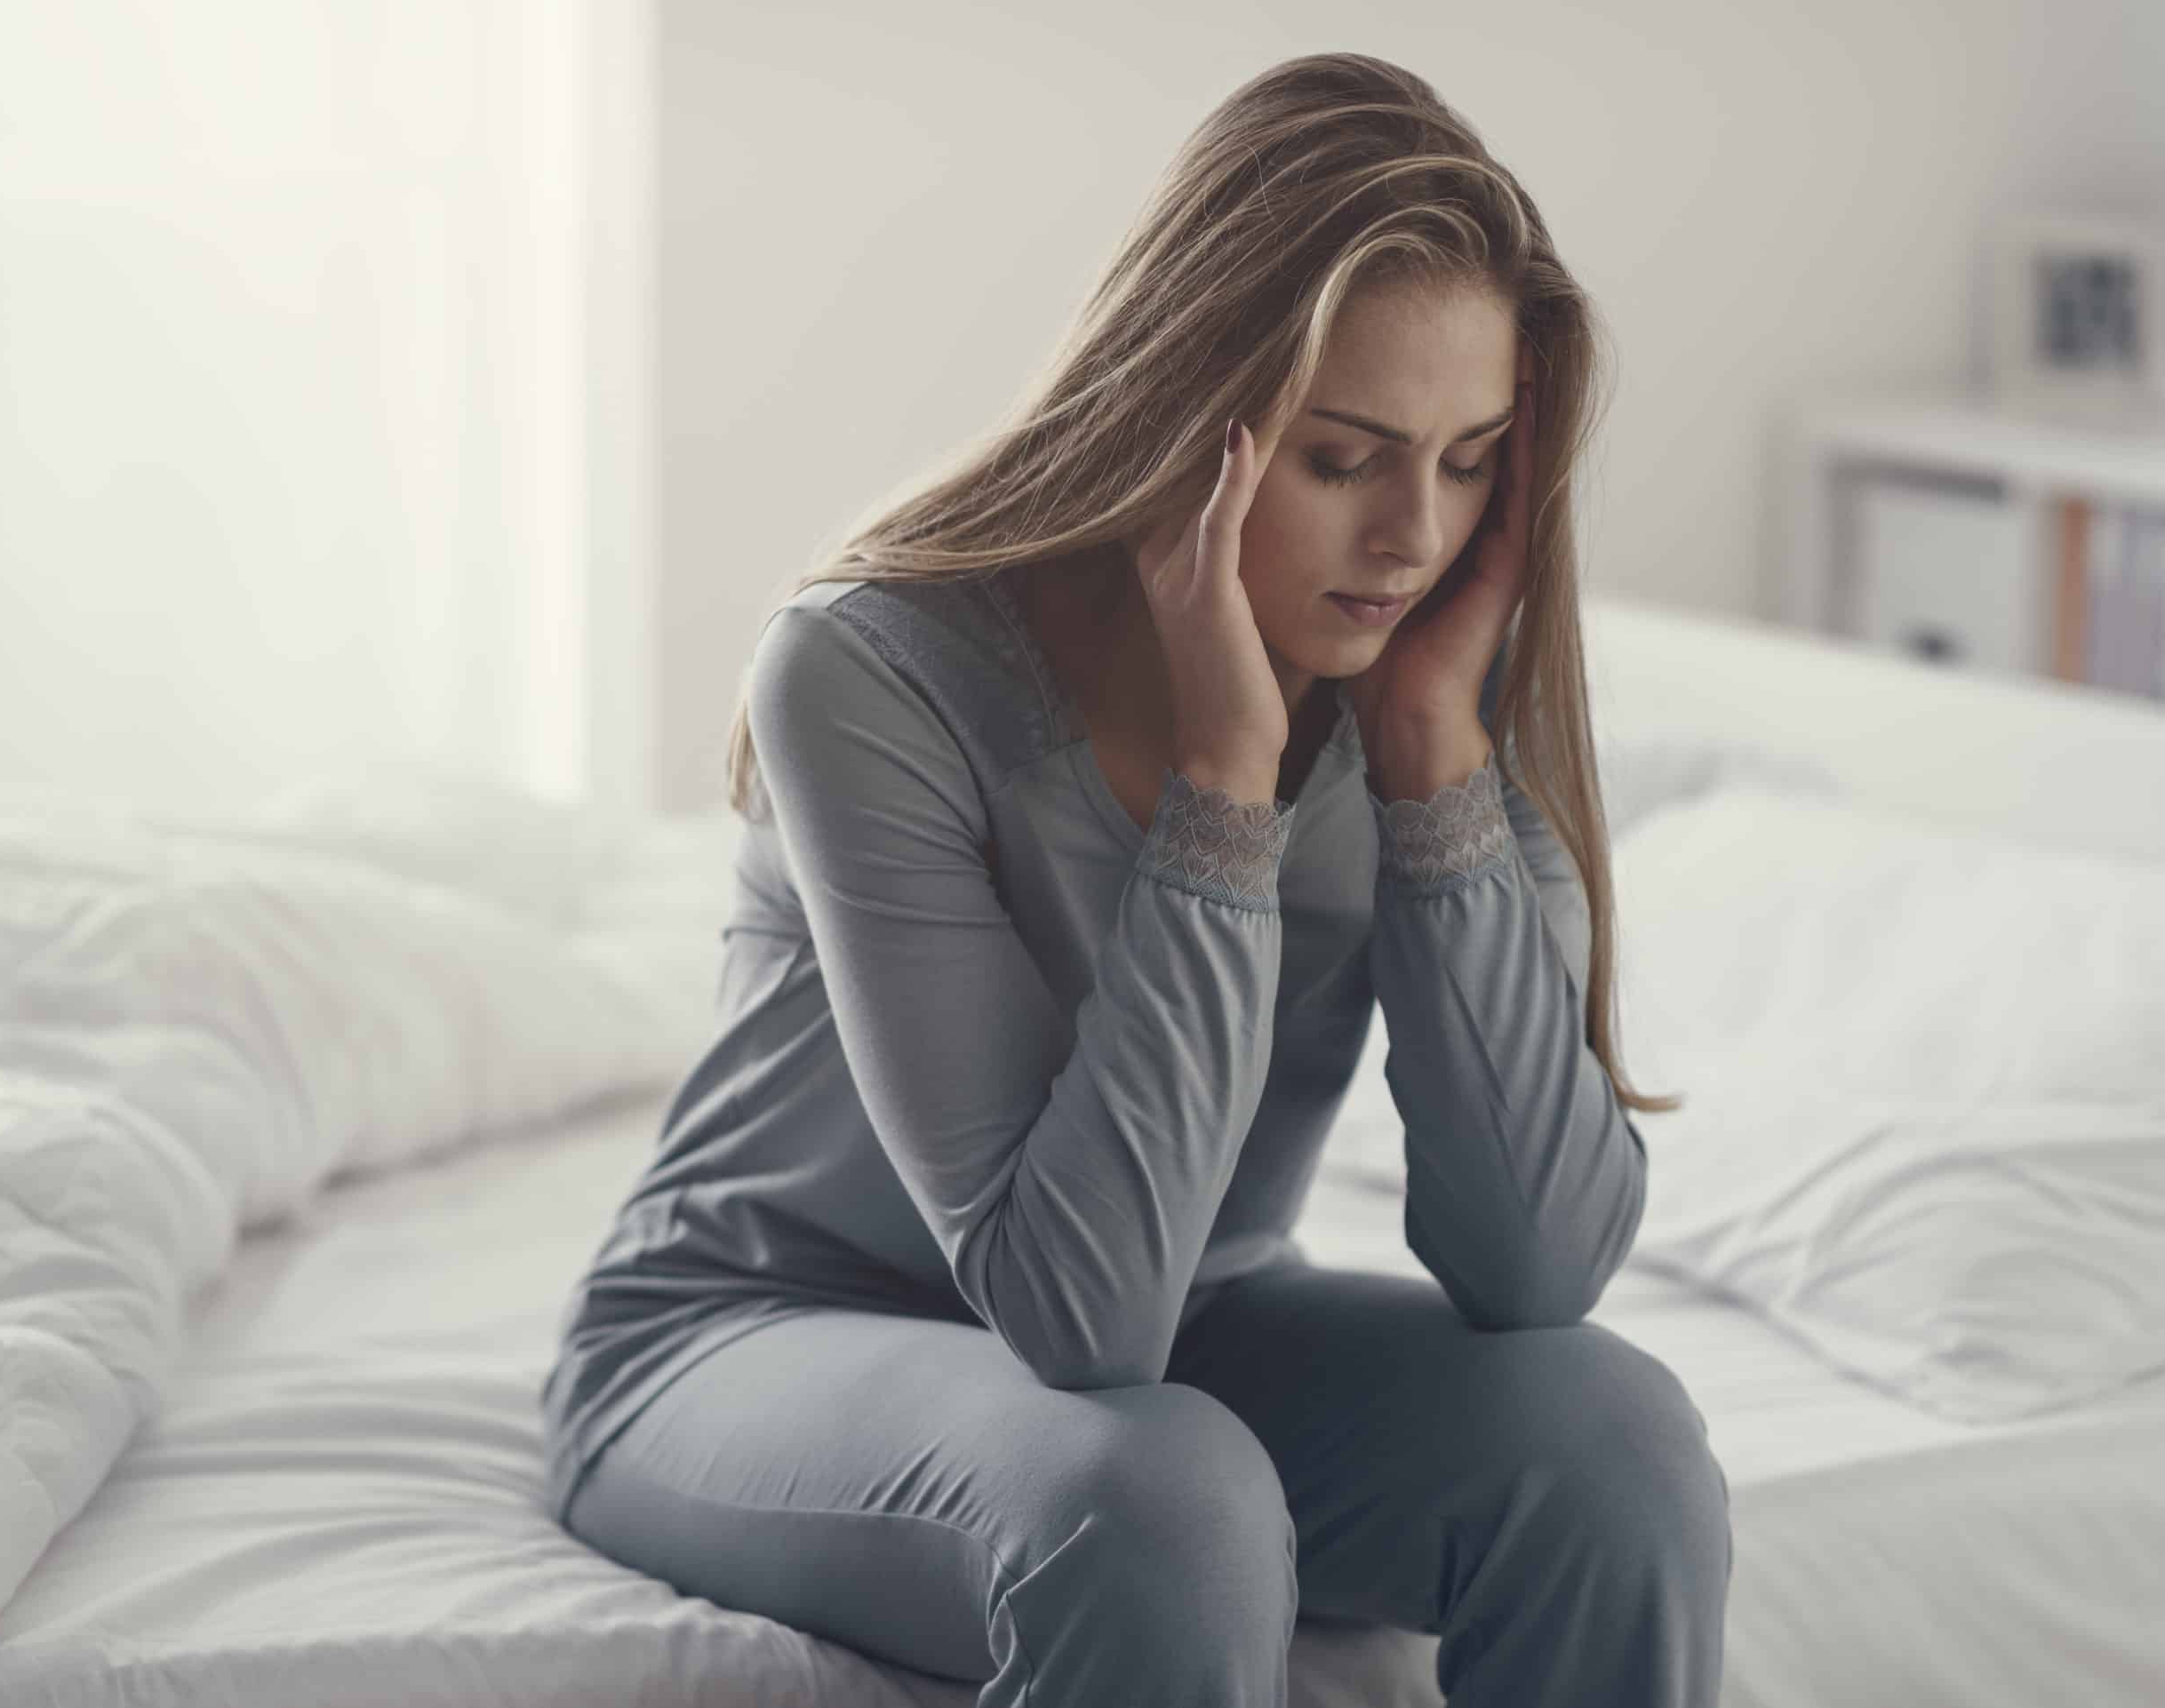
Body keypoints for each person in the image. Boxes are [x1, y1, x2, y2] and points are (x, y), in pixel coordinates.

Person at [539, 50, 1730, 1708]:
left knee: (1619, 1446)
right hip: (750, 1329)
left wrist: (1435, 764)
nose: (1413, 539)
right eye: (1345, 460)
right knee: (1164, 1501)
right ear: (1200, 418)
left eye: (1469, 464)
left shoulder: (1427, 679)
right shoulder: (870, 671)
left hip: (1196, 1324)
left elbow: (1537, 1272)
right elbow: (1080, 1314)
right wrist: (1228, 791)